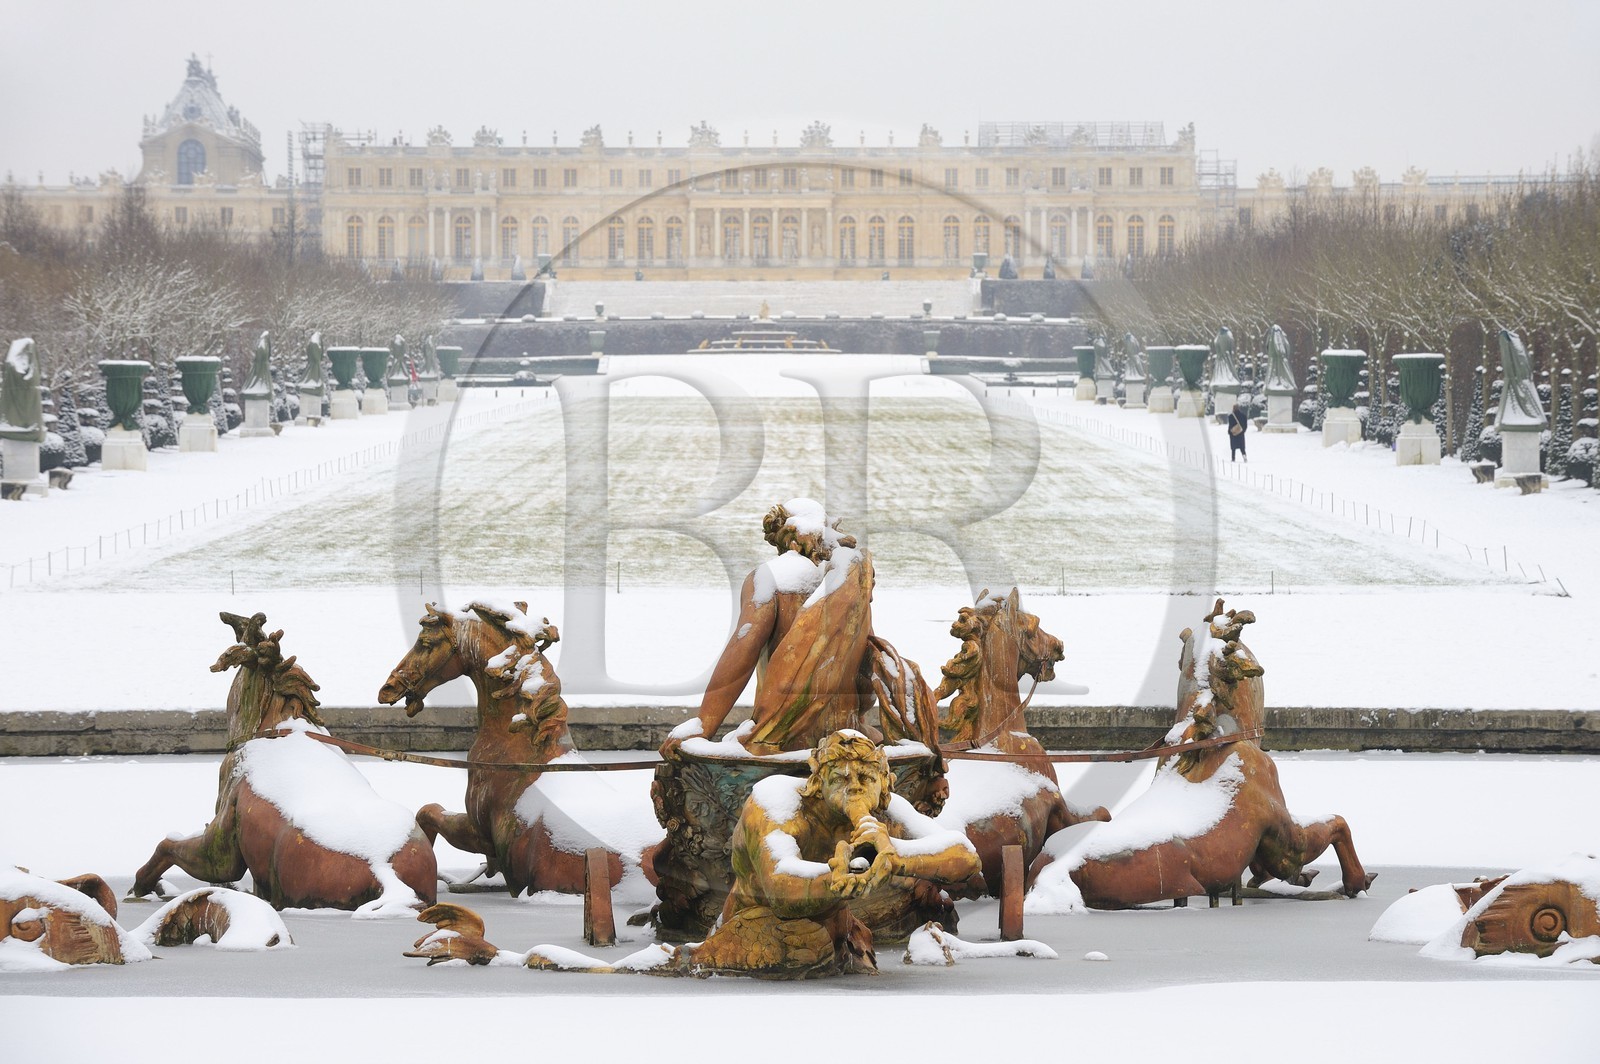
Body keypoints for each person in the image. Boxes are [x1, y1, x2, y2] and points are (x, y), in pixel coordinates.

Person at [680, 730, 980, 976]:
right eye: (840, 779)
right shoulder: (776, 803)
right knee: (804, 947)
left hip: (834, 935)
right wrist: (837, 880)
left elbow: (966, 856)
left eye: (865, 779)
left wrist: (897, 857)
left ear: (884, 784)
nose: (854, 789)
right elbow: (780, 886)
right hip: (758, 928)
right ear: (817, 782)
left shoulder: (884, 811)